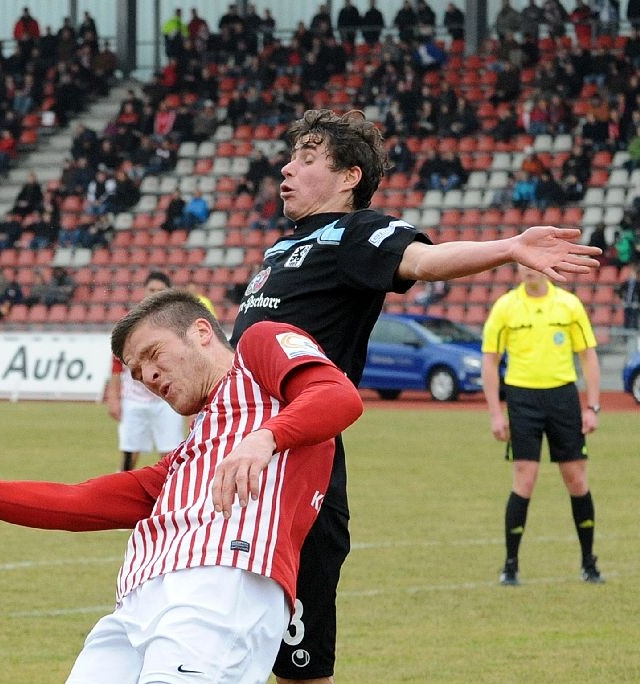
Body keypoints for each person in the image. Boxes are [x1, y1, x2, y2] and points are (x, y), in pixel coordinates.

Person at [228, 109, 602, 683]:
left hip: (297, 462)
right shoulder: (280, 249)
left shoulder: (357, 233)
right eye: (291, 157)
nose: (286, 168)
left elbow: (425, 262)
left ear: (349, 177)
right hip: (235, 456)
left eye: (306, 158)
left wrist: (509, 247)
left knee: (299, 664)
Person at [0, 289, 364, 683]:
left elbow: (337, 395)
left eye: (153, 355)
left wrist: (266, 438)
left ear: (201, 333)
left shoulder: (259, 353)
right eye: (136, 372)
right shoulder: (187, 454)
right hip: (135, 607)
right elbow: (80, 501)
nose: (148, 377)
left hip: (220, 584)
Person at [481, 265, 604, 586]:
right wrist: (496, 413)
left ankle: (589, 563)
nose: (528, 270)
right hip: (522, 399)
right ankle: (510, 566)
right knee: (524, 478)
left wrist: (592, 406)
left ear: (547, 268)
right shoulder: (506, 306)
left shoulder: (569, 305)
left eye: (534, 264)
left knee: (576, 479)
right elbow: (490, 361)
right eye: (523, 264)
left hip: (563, 398)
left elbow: (588, 356)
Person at [104, 272, 185, 472]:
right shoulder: (130, 324)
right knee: (129, 455)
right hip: (134, 399)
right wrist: (113, 397)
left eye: (160, 290)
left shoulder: (178, 325)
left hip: (167, 399)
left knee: (170, 454)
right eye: (151, 290)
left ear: (168, 293)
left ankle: (171, 489)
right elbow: (116, 364)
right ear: (144, 291)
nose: (155, 294)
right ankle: (121, 488)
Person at [618, 262, 640, 329]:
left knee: (635, 317)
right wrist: (622, 299)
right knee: (626, 317)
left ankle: (634, 329)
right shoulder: (625, 283)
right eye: (631, 274)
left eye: (633, 274)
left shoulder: (638, 284)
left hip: (634, 303)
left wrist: (638, 302)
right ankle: (626, 329)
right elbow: (620, 291)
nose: (632, 276)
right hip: (627, 302)